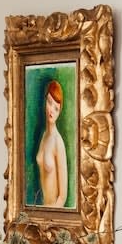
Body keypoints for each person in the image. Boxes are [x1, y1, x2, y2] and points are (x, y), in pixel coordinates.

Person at [35, 79, 68, 207]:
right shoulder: (44, 136)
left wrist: (50, 219)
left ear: (60, 112)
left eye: (56, 108)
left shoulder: (58, 143)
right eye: (49, 102)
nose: (51, 110)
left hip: (53, 215)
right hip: (42, 211)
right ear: (45, 102)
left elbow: (62, 197)